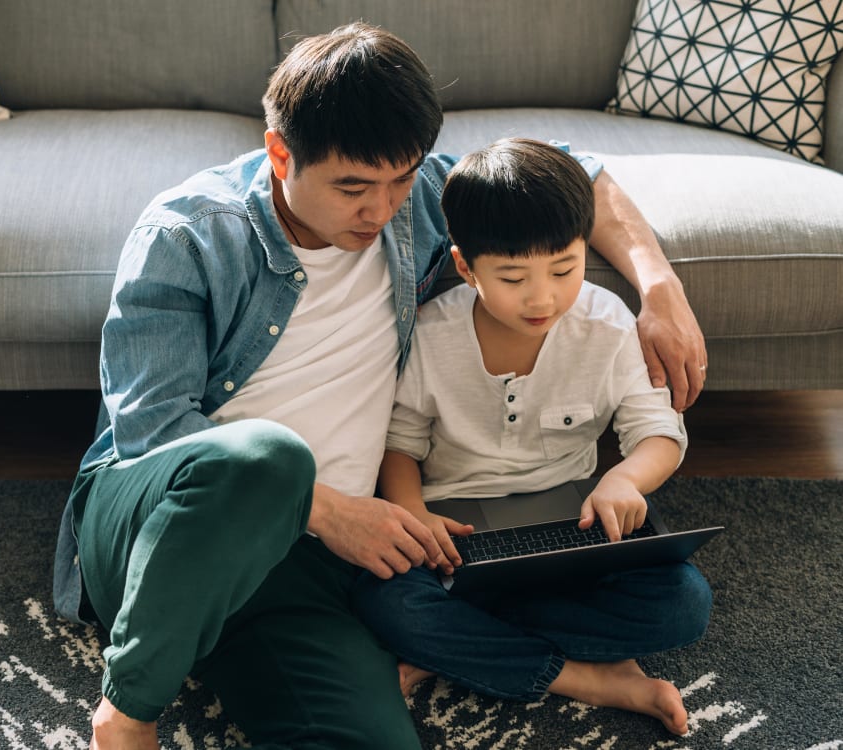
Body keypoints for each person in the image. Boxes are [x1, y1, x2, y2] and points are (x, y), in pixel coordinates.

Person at [51, 22, 708, 750]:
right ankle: (128, 711)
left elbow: (573, 170)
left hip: (313, 572)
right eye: (354, 188)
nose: (383, 209)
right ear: (280, 153)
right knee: (269, 460)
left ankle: (533, 666)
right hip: (165, 522)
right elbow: (151, 431)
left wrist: (660, 287)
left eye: (401, 179)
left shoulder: (416, 196)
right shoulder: (187, 234)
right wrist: (331, 511)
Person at [352, 138, 712, 737]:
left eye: (565, 269)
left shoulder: (608, 325)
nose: (542, 297)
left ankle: (454, 643)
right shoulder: (433, 334)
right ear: (467, 268)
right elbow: (400, 443)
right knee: (384, 598)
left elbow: (658, 433)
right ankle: (589, 676)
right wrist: (413, 513)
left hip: (569, 532)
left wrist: (624, 479)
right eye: (514, 277)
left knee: (683, 603)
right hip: (451, 533)